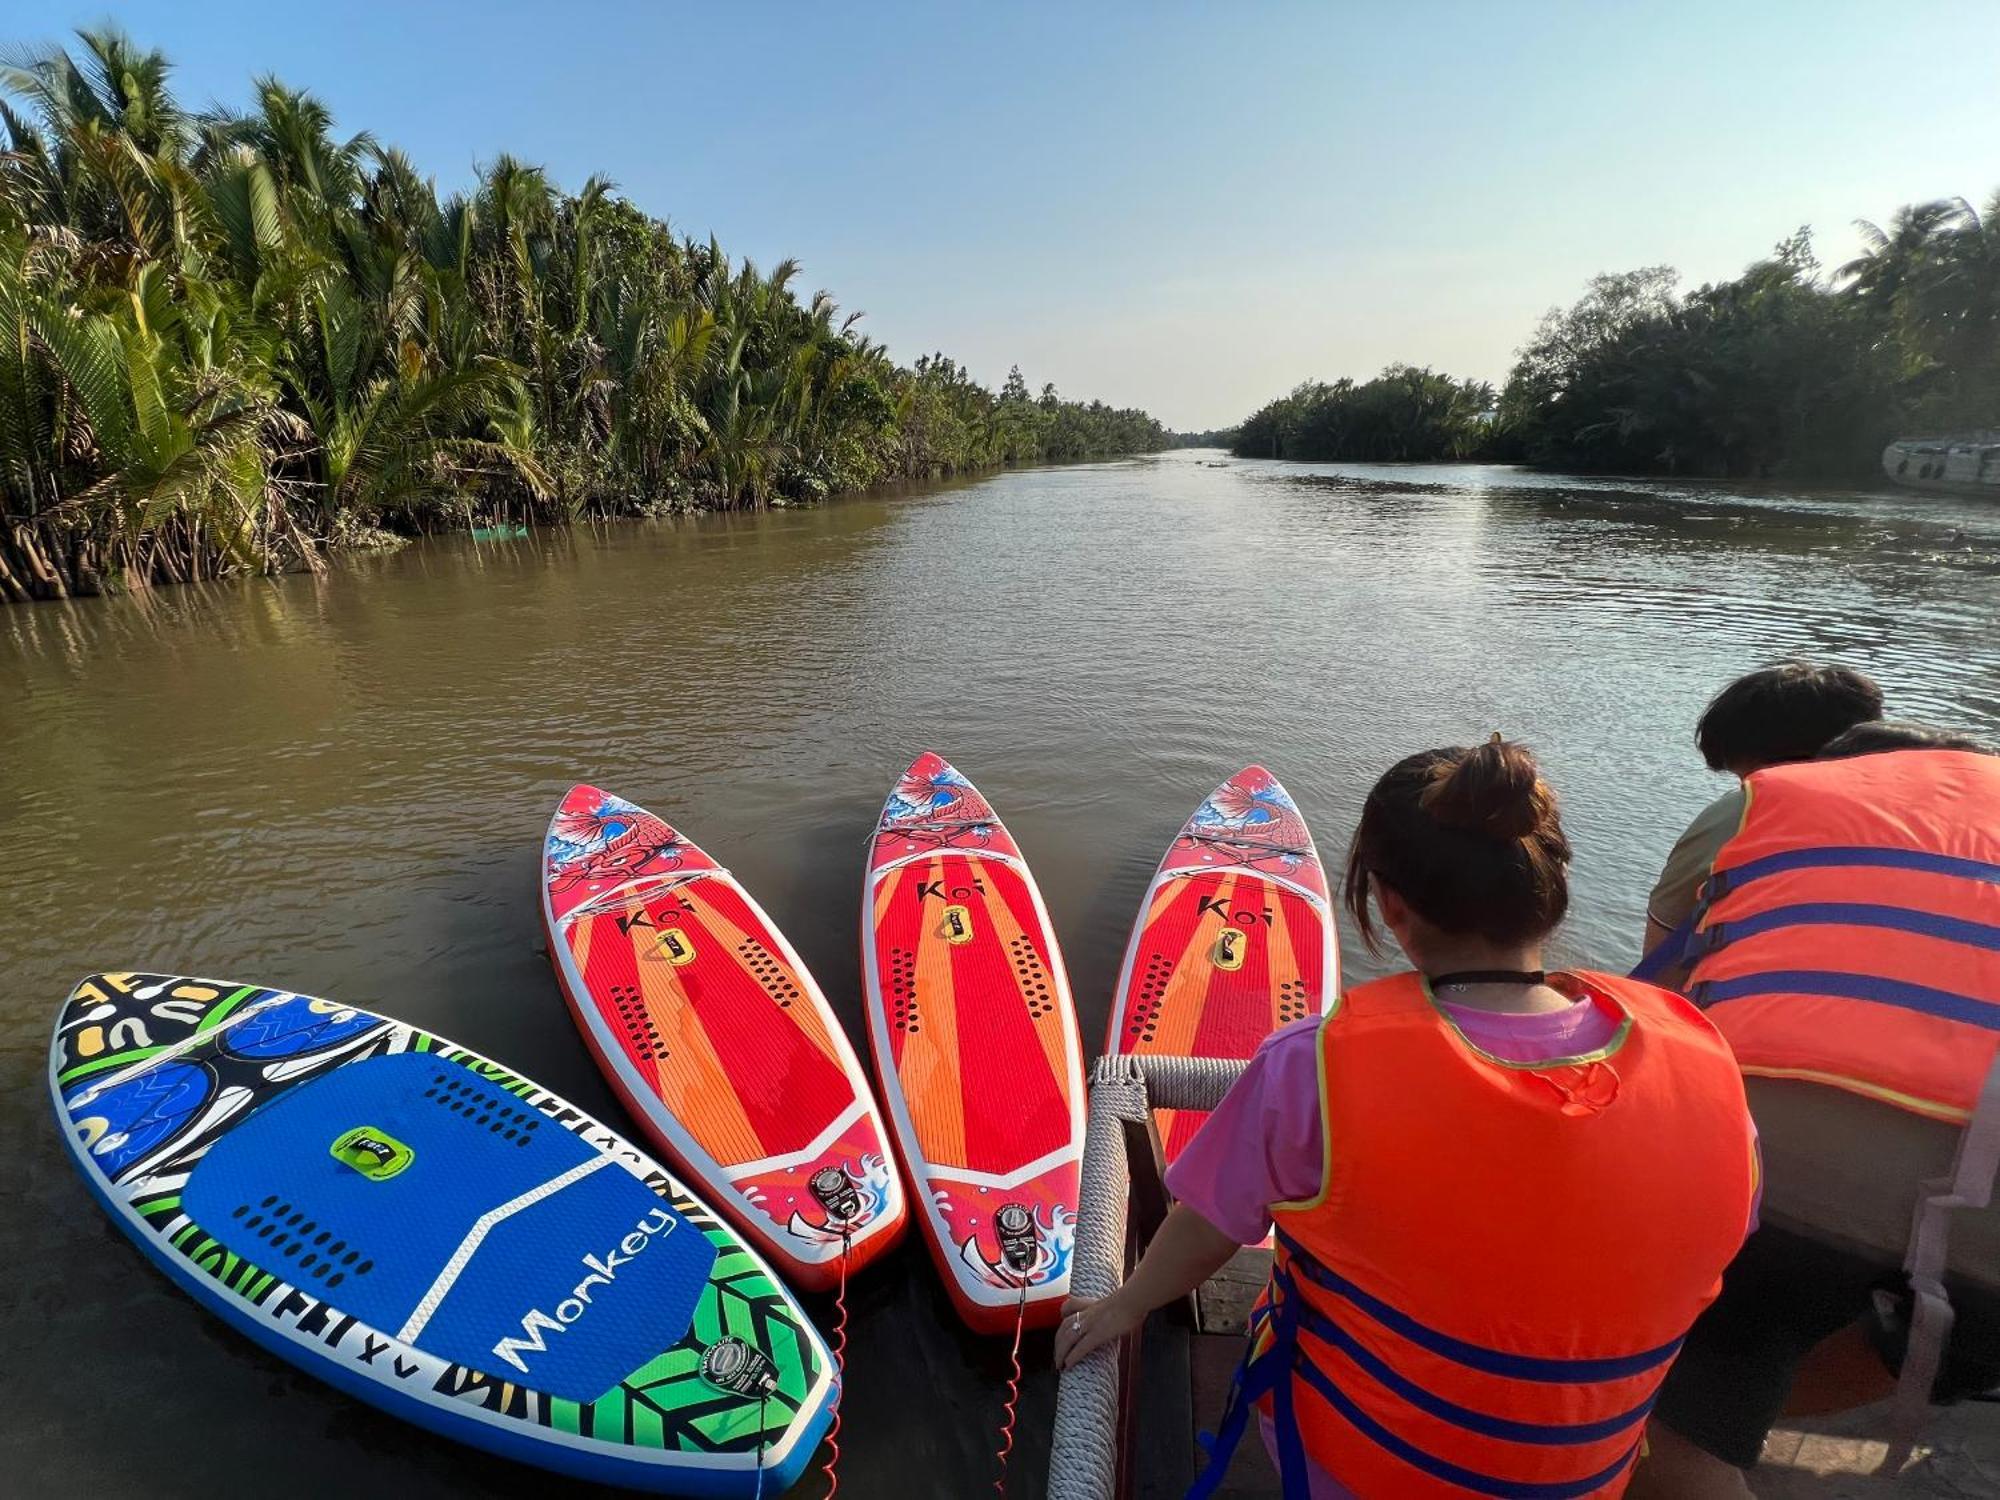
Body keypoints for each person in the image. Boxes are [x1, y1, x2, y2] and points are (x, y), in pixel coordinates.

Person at [1055, 738, 1760, 1499]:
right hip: (1581, 1475)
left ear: (1389, 905)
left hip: (1364, 1465)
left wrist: (1123, 1304)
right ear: (1550, 885)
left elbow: (1208, 1227)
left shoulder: (1314, 1063)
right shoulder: (1707, 1062)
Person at [1633, 727, 2000, 1498]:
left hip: (1791, 1152)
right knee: (1946, 1338)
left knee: (1688, 1414)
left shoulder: (1775, 808)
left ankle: (1685, 1431)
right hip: (1986, 1207)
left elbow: (1666, 1009)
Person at [1643, 662, 1884, 960]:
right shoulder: (1931, 816)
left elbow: (1661, 947)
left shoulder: (1741, 814)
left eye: (1748, 777)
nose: (1749, 787)